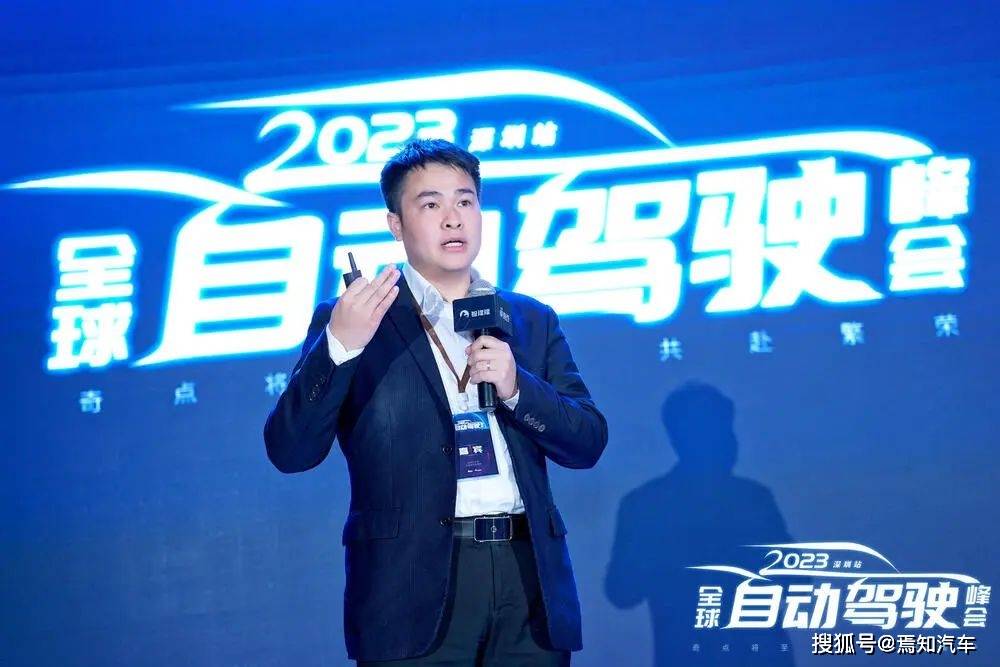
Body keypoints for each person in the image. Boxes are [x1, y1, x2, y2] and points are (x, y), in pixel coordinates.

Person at [264, 138, 608, 665]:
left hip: (528, 582)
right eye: (431, 204)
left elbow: (587, 442)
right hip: (410, 590)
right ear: (396, 224)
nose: (453, 218)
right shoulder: (358, 317)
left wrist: (518, 388)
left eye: (465, 201)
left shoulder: (529, 319)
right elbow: (291, 451)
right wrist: (340, 346)